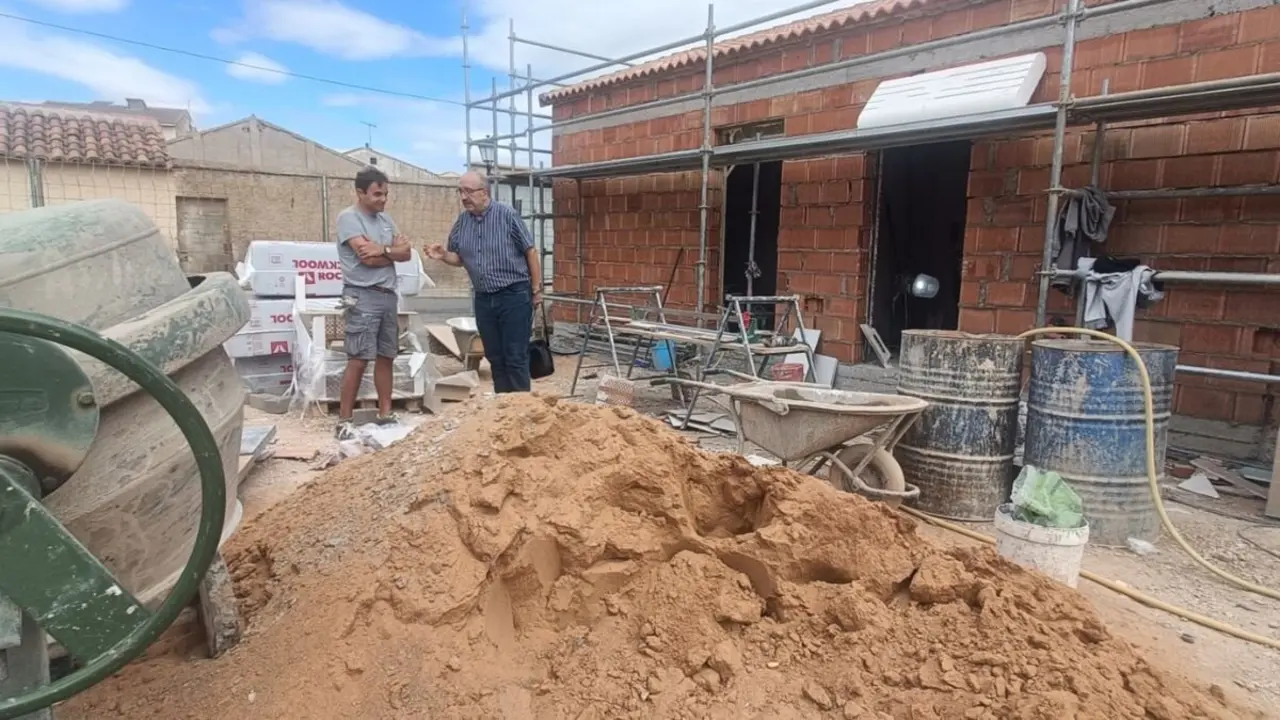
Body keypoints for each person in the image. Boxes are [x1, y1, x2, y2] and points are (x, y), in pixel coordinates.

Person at [426, 171, 541, 393]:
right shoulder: (462, 222)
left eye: (468, 191)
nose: (463, 197)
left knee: (515, 356)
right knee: (495, 357)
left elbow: (530, 251)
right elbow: (458, 259)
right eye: (460, 191)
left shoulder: (506, 215)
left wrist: (536, 290)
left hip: (514, 295)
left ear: (484, 193)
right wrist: (442, 256)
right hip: (483, 299)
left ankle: (519, 411)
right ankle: (501, 408)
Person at [334, 166, 412, 439]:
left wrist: (383, 250)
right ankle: (344, 420)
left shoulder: (385, 220)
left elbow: (407, 253)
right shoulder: (349, 219)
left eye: (386, 194)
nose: (382, 199)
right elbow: (366, 258)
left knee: (386, 356)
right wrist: (391, 252)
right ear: (360, 192)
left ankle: (385, 413)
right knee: (358, 358)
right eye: (377, 194)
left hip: (387, 295)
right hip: (362, 295)